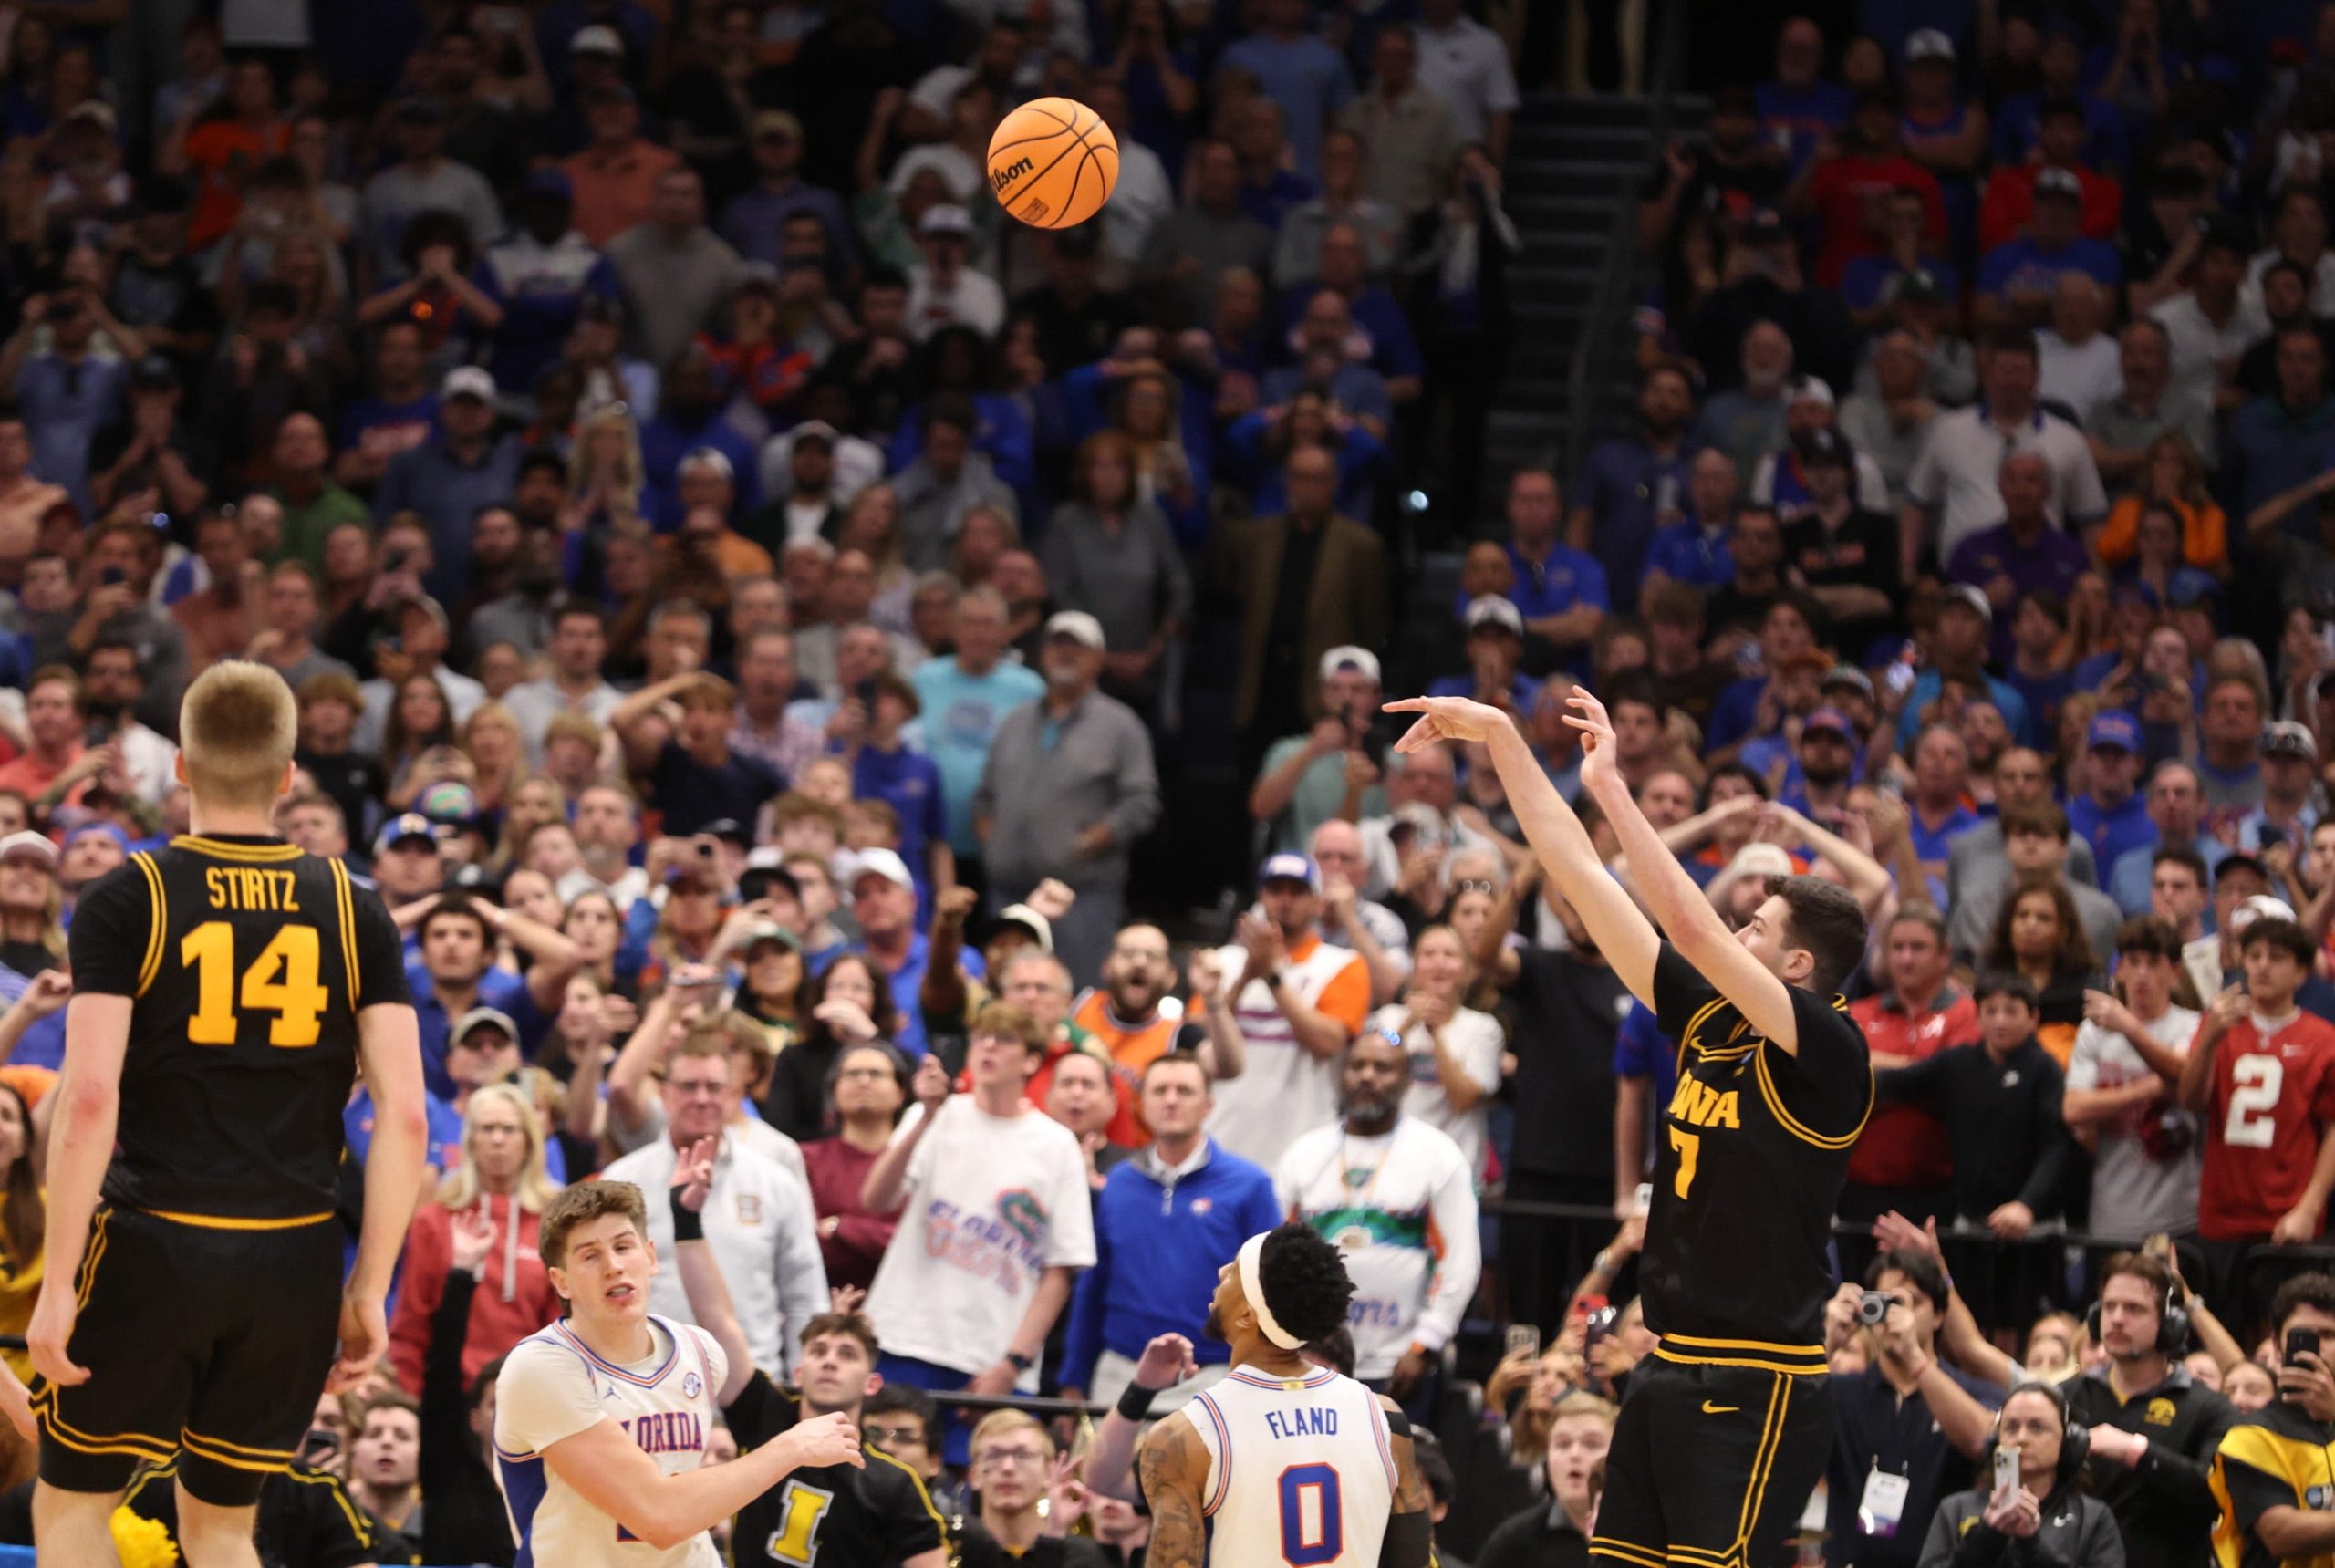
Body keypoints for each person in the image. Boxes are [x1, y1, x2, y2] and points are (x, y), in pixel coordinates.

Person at [1385, 687, 1872, 1568]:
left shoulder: (1831, 1048)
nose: (1733, 930)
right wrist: (1500, 737)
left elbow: (1685, 921)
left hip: (1757, 1380)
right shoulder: (1708, 1019)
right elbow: (1576, 870)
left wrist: (1616, 790)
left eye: (1754, 928)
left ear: (1798, 966)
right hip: (1665, 1363)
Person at [27, 660, 428, 1568]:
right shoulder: (354, 906)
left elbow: (90, 1096)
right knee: (221, 1527)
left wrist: (57, 1287)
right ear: (291, 774)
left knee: (74, 1507)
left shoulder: (131, 894)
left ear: (181, 765)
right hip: (292, 1252)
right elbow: (404, 1116)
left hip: (153, 1241)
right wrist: (366, 1286)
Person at [491, 1179, 865, 1563]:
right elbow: (659, 1516)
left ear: (650, 1257)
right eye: (590, 1256)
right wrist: (792, 1446)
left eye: (623, 1246)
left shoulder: (700, 1352)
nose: (614, 1266)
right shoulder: (541, 1368)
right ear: (561, 1281)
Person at [669, 1137, 950, 1568]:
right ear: (799, 1372)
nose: (830, 1359)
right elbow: (717, 1318)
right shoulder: (765, 1418)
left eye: (847, 1354)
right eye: (818, 1350)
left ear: (873, 1383)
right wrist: (686, 1219)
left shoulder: (891, 1482)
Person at [859, 1002, 1094, 1463]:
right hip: (903, 1337)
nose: (988, 1046)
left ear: (1030, 1060)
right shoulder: (938, 1114)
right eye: (981, 1036)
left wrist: (1013, 1363)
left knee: (979, 1492)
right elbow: (875, 1199)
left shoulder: (1055, 1144)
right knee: (881, 1479)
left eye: (1004, 1039)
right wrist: (924, 1117)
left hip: (989, 1357)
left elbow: (1060, 1269)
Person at [1132, 1221, 1433, 1568]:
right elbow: (1414, 1559)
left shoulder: (1186, 1437)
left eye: (1233, 1271)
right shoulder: (1383, 1417)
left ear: (1247, 1316)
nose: (1221, 1270)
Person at [1059, 1052, 1281, 1408]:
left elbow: (1272, 1291)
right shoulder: (1118, 1184)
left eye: (1184, 1090)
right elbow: (1092, 1286)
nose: (1172, 1100)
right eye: (1160, 1090)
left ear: (1208, 1105)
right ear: (1141, 1103)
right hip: (1119, 1374)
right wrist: (1073, 1377)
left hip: (1211, 1376)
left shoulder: (1250, 1185)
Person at [1277, 1030, 1480, 1413]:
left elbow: (1460, 1263)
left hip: (1398, 1362)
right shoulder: (1304, 1154)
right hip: (1312, 1361)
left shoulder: (1437, 1155)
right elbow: (1275, 1260)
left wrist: (1425, 1344)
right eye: (1357, 1066)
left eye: (1382, 1068)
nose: (1367, 1076)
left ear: (1406, 1081)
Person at [603, 1032, 828, 1377]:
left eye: (714, 1087)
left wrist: (802, 1384)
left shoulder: (775, 1181)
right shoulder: (621, 1182)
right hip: (647, 1384)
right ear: (664, 1094)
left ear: (735, 1095)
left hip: (753, 1384)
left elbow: (805, 1296)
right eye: (688, 1086)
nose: (702, 1098)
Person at [2178, 918, 2335, 1324]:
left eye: (2277, 958)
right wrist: (2210, 1037)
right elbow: (2190, 1098)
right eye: (2254, 956)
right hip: (2222, 1215)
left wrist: (2309, 1206)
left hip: (2285, 1219)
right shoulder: (2218, 1027)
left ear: (2301, 972)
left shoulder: (2323, 1040)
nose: (2263, 966)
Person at [1825, 1249, 2005, 1568]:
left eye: (1911, 1302)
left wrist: (1914, 1358)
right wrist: (1827, 1341)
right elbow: (1772, 1422)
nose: (1896, 1315)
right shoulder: (1840, 1391)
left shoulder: (1971, 1393)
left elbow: (1984, 1442)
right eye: (1885, 1302)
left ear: (1938, 1315)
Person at [2060, 1251, 2235, 1568]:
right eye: (2110, 1306)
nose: (2116, 1318)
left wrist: (2136, 1451)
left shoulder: (2208, 1407)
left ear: (2169, 1323)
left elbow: (2218, 1496)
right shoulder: (2065, 1397)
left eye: (2134, 1309)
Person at [1202, 853, 1372, 1170]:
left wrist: (1272, 978)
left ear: (1317, 902)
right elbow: (1197, 1040)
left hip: (1302, 1143)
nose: (1285, 901)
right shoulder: (1224, 962)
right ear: (1261, 897)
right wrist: (1244, 979)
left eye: (1297, 892)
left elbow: (1329, 1043)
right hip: (1222, 1134)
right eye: (1276, 890)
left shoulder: (1341, 964)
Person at [1916, 1381, 2126, 1568]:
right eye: (2011, 1427)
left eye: (2037, 1427)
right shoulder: (1956, 1509)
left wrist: (2032, 1544)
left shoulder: (2093, 1518)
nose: (2021, 1438)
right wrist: (1987, 1536)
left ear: (2067, 1443)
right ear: (1995, 1441)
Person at [2206, 1271, 2335, 1568]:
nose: (2319, 1348)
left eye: (2329, 1335)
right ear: (2277, 1346)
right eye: (2305, 1336)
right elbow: (2282, 1536)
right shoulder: (2251, 1436)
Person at [1473, 1392, 1616, 1568]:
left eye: (1591, 1444)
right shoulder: (1514, 1540)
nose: (1575, 1454)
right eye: (1563, 1444)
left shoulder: (1643, 1533)